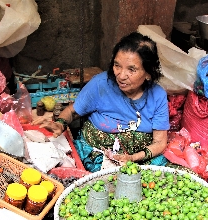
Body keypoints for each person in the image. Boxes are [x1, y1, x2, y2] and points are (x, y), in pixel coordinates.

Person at [32, 32, 169, 172]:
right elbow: (72, 111)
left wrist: (133, 158)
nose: (121, 76)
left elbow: (159, 142)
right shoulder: (101, 84)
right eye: (117, 65)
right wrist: (60, 124)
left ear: (148, 73)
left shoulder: (157, 95)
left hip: (139, 159)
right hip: (97, 155)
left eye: (131, 69)